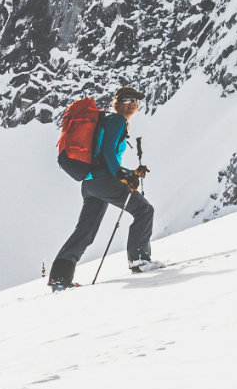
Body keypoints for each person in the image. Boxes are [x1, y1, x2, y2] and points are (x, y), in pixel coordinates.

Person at [49, 84, 158, 288]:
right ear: (116, 103)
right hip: (104, 181)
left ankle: (60, 278)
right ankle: (139, 260)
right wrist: (120, 175)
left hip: (91, 183)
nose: (132, 105)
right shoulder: (117, 120)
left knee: (85, 231)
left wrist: (130, 173)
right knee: (144, 210)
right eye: (126, 100)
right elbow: (108, 152)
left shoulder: (108, 121)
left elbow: (103, 157)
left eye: (135, 102)